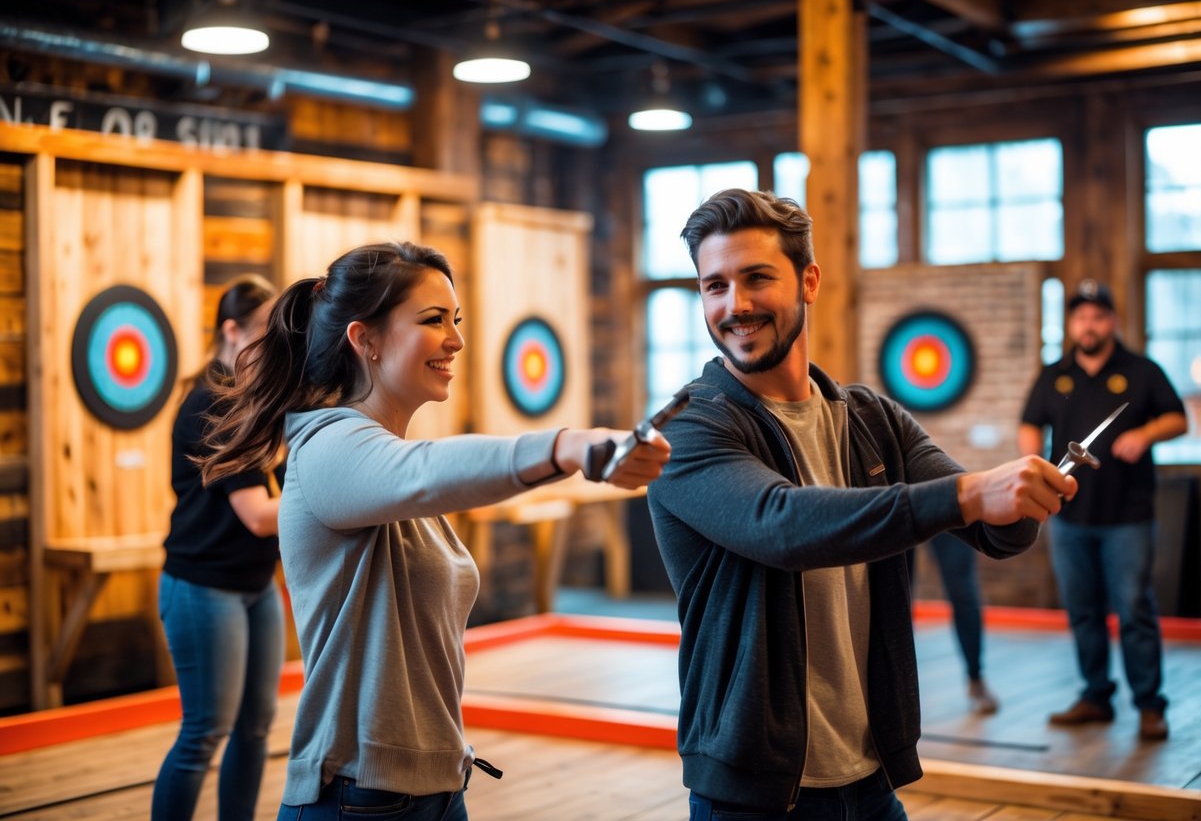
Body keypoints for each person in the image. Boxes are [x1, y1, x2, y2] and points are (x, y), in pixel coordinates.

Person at [197, 241, 670, 821]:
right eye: (432, 320)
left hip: (439, 787)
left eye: (456, 320)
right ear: (364, 339)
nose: (456, 340)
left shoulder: (381, 460)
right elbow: (427, 472)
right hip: (356, 795)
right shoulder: (326, 447)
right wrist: (566, 445)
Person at [646, 189, 1077, 820]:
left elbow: (995, 533)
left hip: (870, 779)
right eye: (714, 286)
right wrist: (971, 492)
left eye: (757, 278)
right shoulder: (687, 428)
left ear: (809, 281)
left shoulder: (873, 418)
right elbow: (784, 526)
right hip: (752, 791)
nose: (735, 305)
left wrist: (1029, 496)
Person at [1019, 279, 1187, 742]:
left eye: (1097, 316)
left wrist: (1145, 435)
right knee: (1082, 609)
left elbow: (1179, 417)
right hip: (1068, 515)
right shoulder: (1055, 374)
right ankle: (1095, 696)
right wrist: (1033, 469)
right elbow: (1029, 426)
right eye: (1080, 316)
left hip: (1128, 515)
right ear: (1071, 323)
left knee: (1133, 609)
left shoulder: (1142, 370)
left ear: (1110, 320)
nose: (1088, 325)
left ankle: (1150, 706)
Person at [153, 275, 284, 821]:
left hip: (254, 587)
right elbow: (258, 515)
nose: (274, 350)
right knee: (205, 733)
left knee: (255, 728)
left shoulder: (251, 397)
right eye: (262, 335)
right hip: (203, 588)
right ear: (231, 332)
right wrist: (335, 500)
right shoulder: (215, 401)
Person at [916, 533, 999, 714]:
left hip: (946, 508)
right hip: (895, 505)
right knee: (895, 594)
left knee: (963, 591)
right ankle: (894, 688)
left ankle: (976, 679)